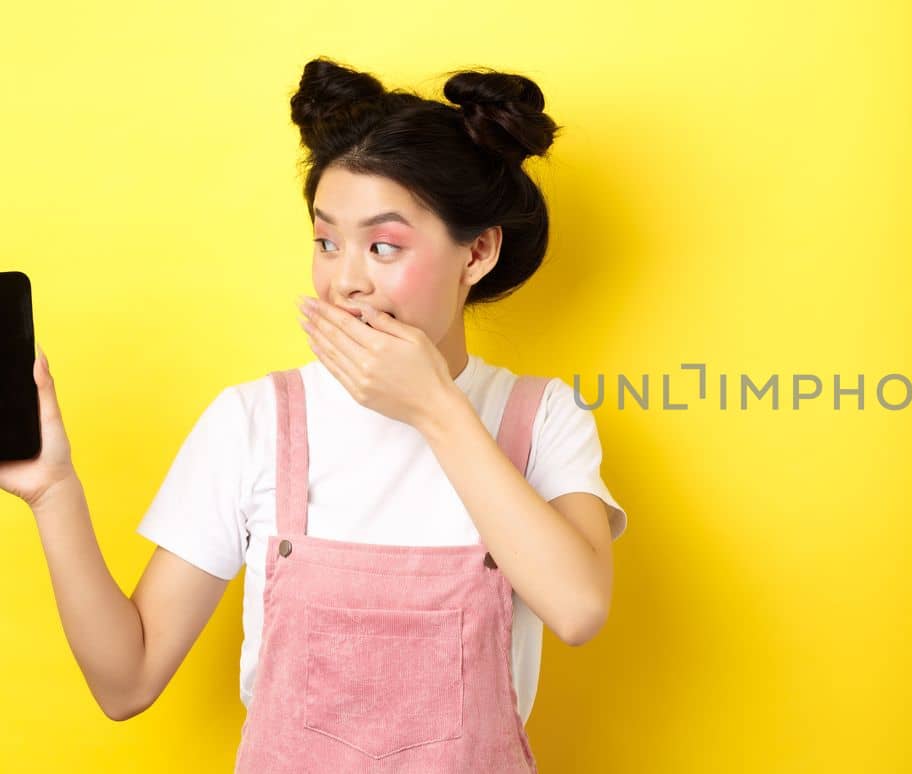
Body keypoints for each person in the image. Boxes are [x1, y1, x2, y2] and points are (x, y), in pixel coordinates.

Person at [0, 56, 627, 773]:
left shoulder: (542, 417)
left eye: (383, 246)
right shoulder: (255, 421)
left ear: (478, 252)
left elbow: (579, 609)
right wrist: (53, 492)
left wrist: (432, 407)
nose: (346, 280)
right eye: (327, 242)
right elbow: (126, 681)